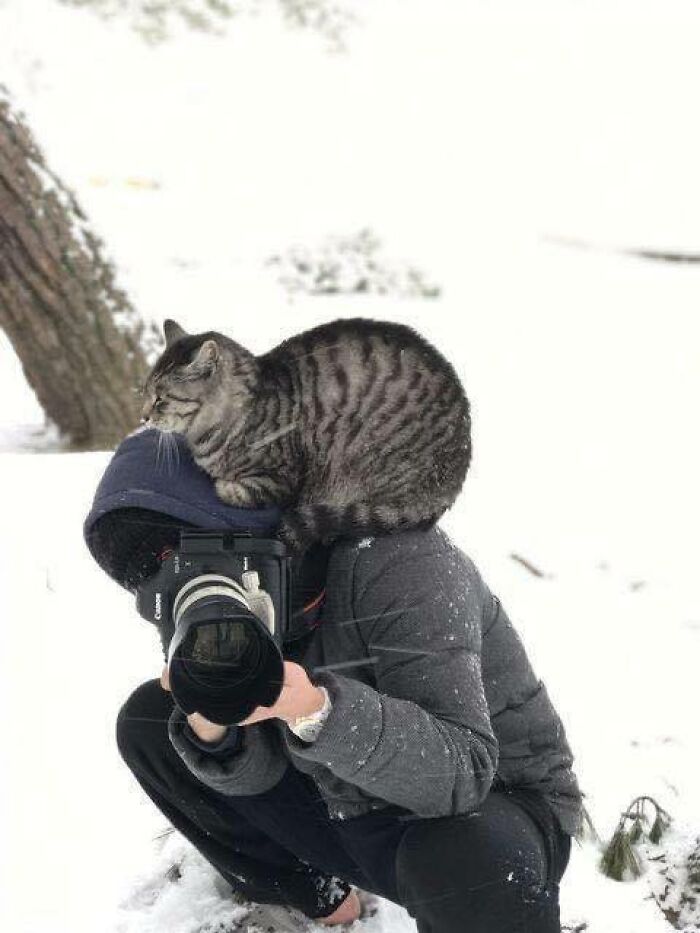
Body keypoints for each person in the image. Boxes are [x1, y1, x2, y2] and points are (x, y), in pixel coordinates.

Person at [84, 427, 585, 932]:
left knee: (465, 861)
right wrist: (218, 732)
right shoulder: (201, 595)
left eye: (192, 545)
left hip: (491, 811)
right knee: (151, 722)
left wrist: (316, 710)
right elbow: (256, 775)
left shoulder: (402, 556)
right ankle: (317, 896)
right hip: (346, 810)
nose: (183, 570)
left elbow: (461, 775)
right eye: (162, 563)